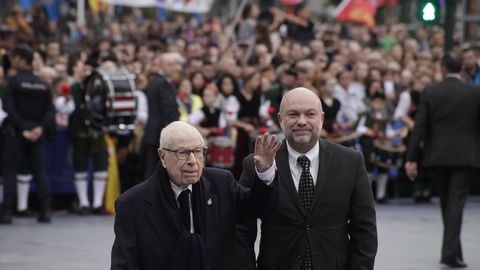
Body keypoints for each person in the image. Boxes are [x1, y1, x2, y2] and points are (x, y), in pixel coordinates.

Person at [234, 87, 377, 270]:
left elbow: (365, 231)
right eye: (293, 114)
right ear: (280, 120)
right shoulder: (255, 164)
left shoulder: (351, 162)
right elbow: (241, 231)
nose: (302, 122)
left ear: (322, 118)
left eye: (310, 114)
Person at [111, 121, 282, 270]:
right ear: (163, 156)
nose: (193, 160)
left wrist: (264, 172)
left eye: (198, 151)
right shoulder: (133, 204)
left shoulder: (221, 183)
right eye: (183, 153)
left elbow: (259, 208)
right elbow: (124, 264)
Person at [405, 53, 480, 268]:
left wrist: (412, 158)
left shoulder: (431, 91)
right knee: (455, 203)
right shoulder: (475, 92)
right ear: (461, 69)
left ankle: (452, 253)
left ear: (443, 69)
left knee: (448, 203)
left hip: (437, 155)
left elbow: (420, 127)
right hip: (466, 156)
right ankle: (451, 253)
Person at [0, 45, 55, 224]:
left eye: (16, 57)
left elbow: (10, 109)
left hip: (16, 132)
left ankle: (7, 211)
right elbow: (49, 111)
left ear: (22, 60)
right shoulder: (43, 84)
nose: (13, 60)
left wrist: (23, 129)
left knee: (9, 171)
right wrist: (40, 128)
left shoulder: (13, 83)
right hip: (36, 132)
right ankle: (45, 211)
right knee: (39, 172)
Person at [142, 52, 180, 178]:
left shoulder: (154, 81)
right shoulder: (163, 84)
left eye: (175, 64)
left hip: (153, 133)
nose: (174, 68)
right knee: (156, 174)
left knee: (152, 172)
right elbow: (169, 112)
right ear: (161, 66)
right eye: (169, 65)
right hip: (160, 135)